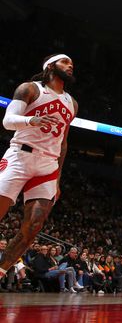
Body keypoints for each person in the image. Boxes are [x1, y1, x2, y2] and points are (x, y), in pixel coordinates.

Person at [0, 54, 78, 281]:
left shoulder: (72, 103)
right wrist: (30, 120)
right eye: (65, 62)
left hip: (48, 166)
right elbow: (8, 120)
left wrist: (58, 178)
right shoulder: (30, 89)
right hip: (20, 156)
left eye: (72, 64)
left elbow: (63, 142)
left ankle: (2, 270)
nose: (70, 66)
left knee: (33, 226)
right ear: (51, 66)